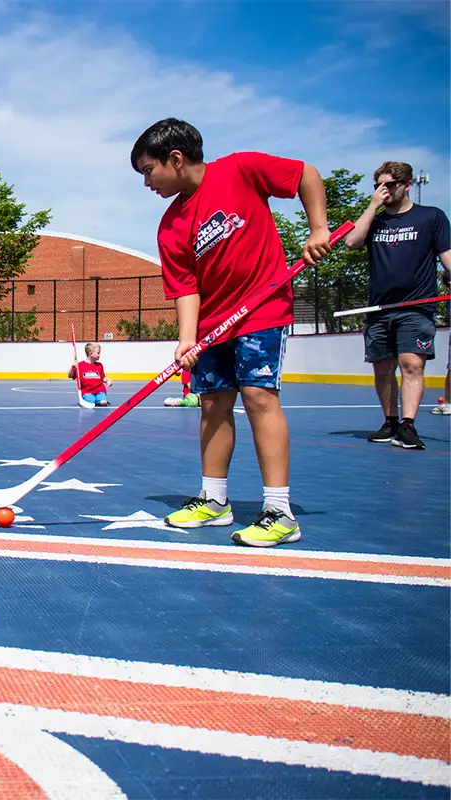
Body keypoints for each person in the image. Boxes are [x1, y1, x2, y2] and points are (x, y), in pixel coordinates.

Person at [131, 118, 332, 547]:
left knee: (259, 398)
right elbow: (186, 286)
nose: (146, 182)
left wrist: (318, 229)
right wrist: (188, 338)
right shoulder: (170, 226)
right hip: (212, 327)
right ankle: (215, 500)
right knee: (212, 406)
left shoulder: (240, 169)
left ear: (176, 159)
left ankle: (279, 511)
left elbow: (306, 176)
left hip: (262, 310)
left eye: (148, 171)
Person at [344, 161, 451, 448]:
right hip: (379, 309)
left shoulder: (432, 217)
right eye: (378, 185)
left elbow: (447, 256)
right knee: (382, 369)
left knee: (411, 364)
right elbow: (352, 242)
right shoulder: (375, 221)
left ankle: (408, 425)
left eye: (389, 185)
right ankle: (390, 421)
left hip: (416, 306)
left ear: (406, 185)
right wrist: (372, 206)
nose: (384, 190)